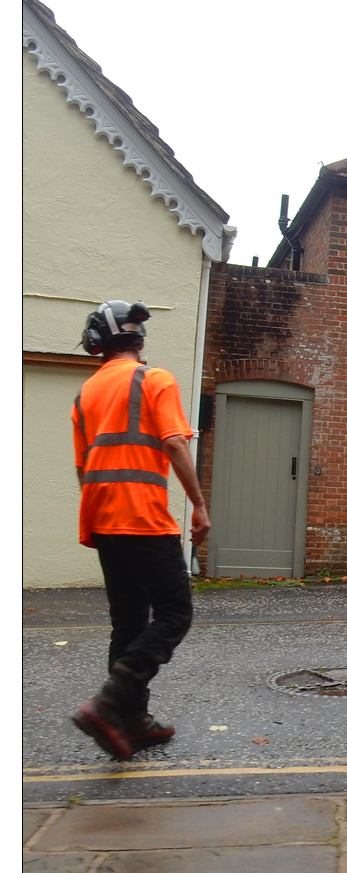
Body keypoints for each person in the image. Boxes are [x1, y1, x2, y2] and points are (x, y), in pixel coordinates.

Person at [70, 300, 210, 761]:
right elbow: (173, 441)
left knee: (128, 621)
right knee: (175, 613)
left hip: (103, 519)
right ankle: (110, 702)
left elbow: (81, 466)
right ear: (138, 341)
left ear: (98, 343)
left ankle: (132, 721)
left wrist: (98, 512)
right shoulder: (155, 379)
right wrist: (199, 503)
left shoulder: (84, 396)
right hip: (143, 517)